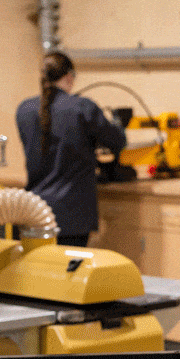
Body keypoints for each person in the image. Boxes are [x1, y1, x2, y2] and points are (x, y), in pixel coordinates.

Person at [16, 52, 127, 247]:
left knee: (41, 273)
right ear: (69, 77)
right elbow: (117, 141)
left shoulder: (24, 110)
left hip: (34, 211)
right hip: (72, 215)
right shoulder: (82, 108)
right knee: (68, 273)